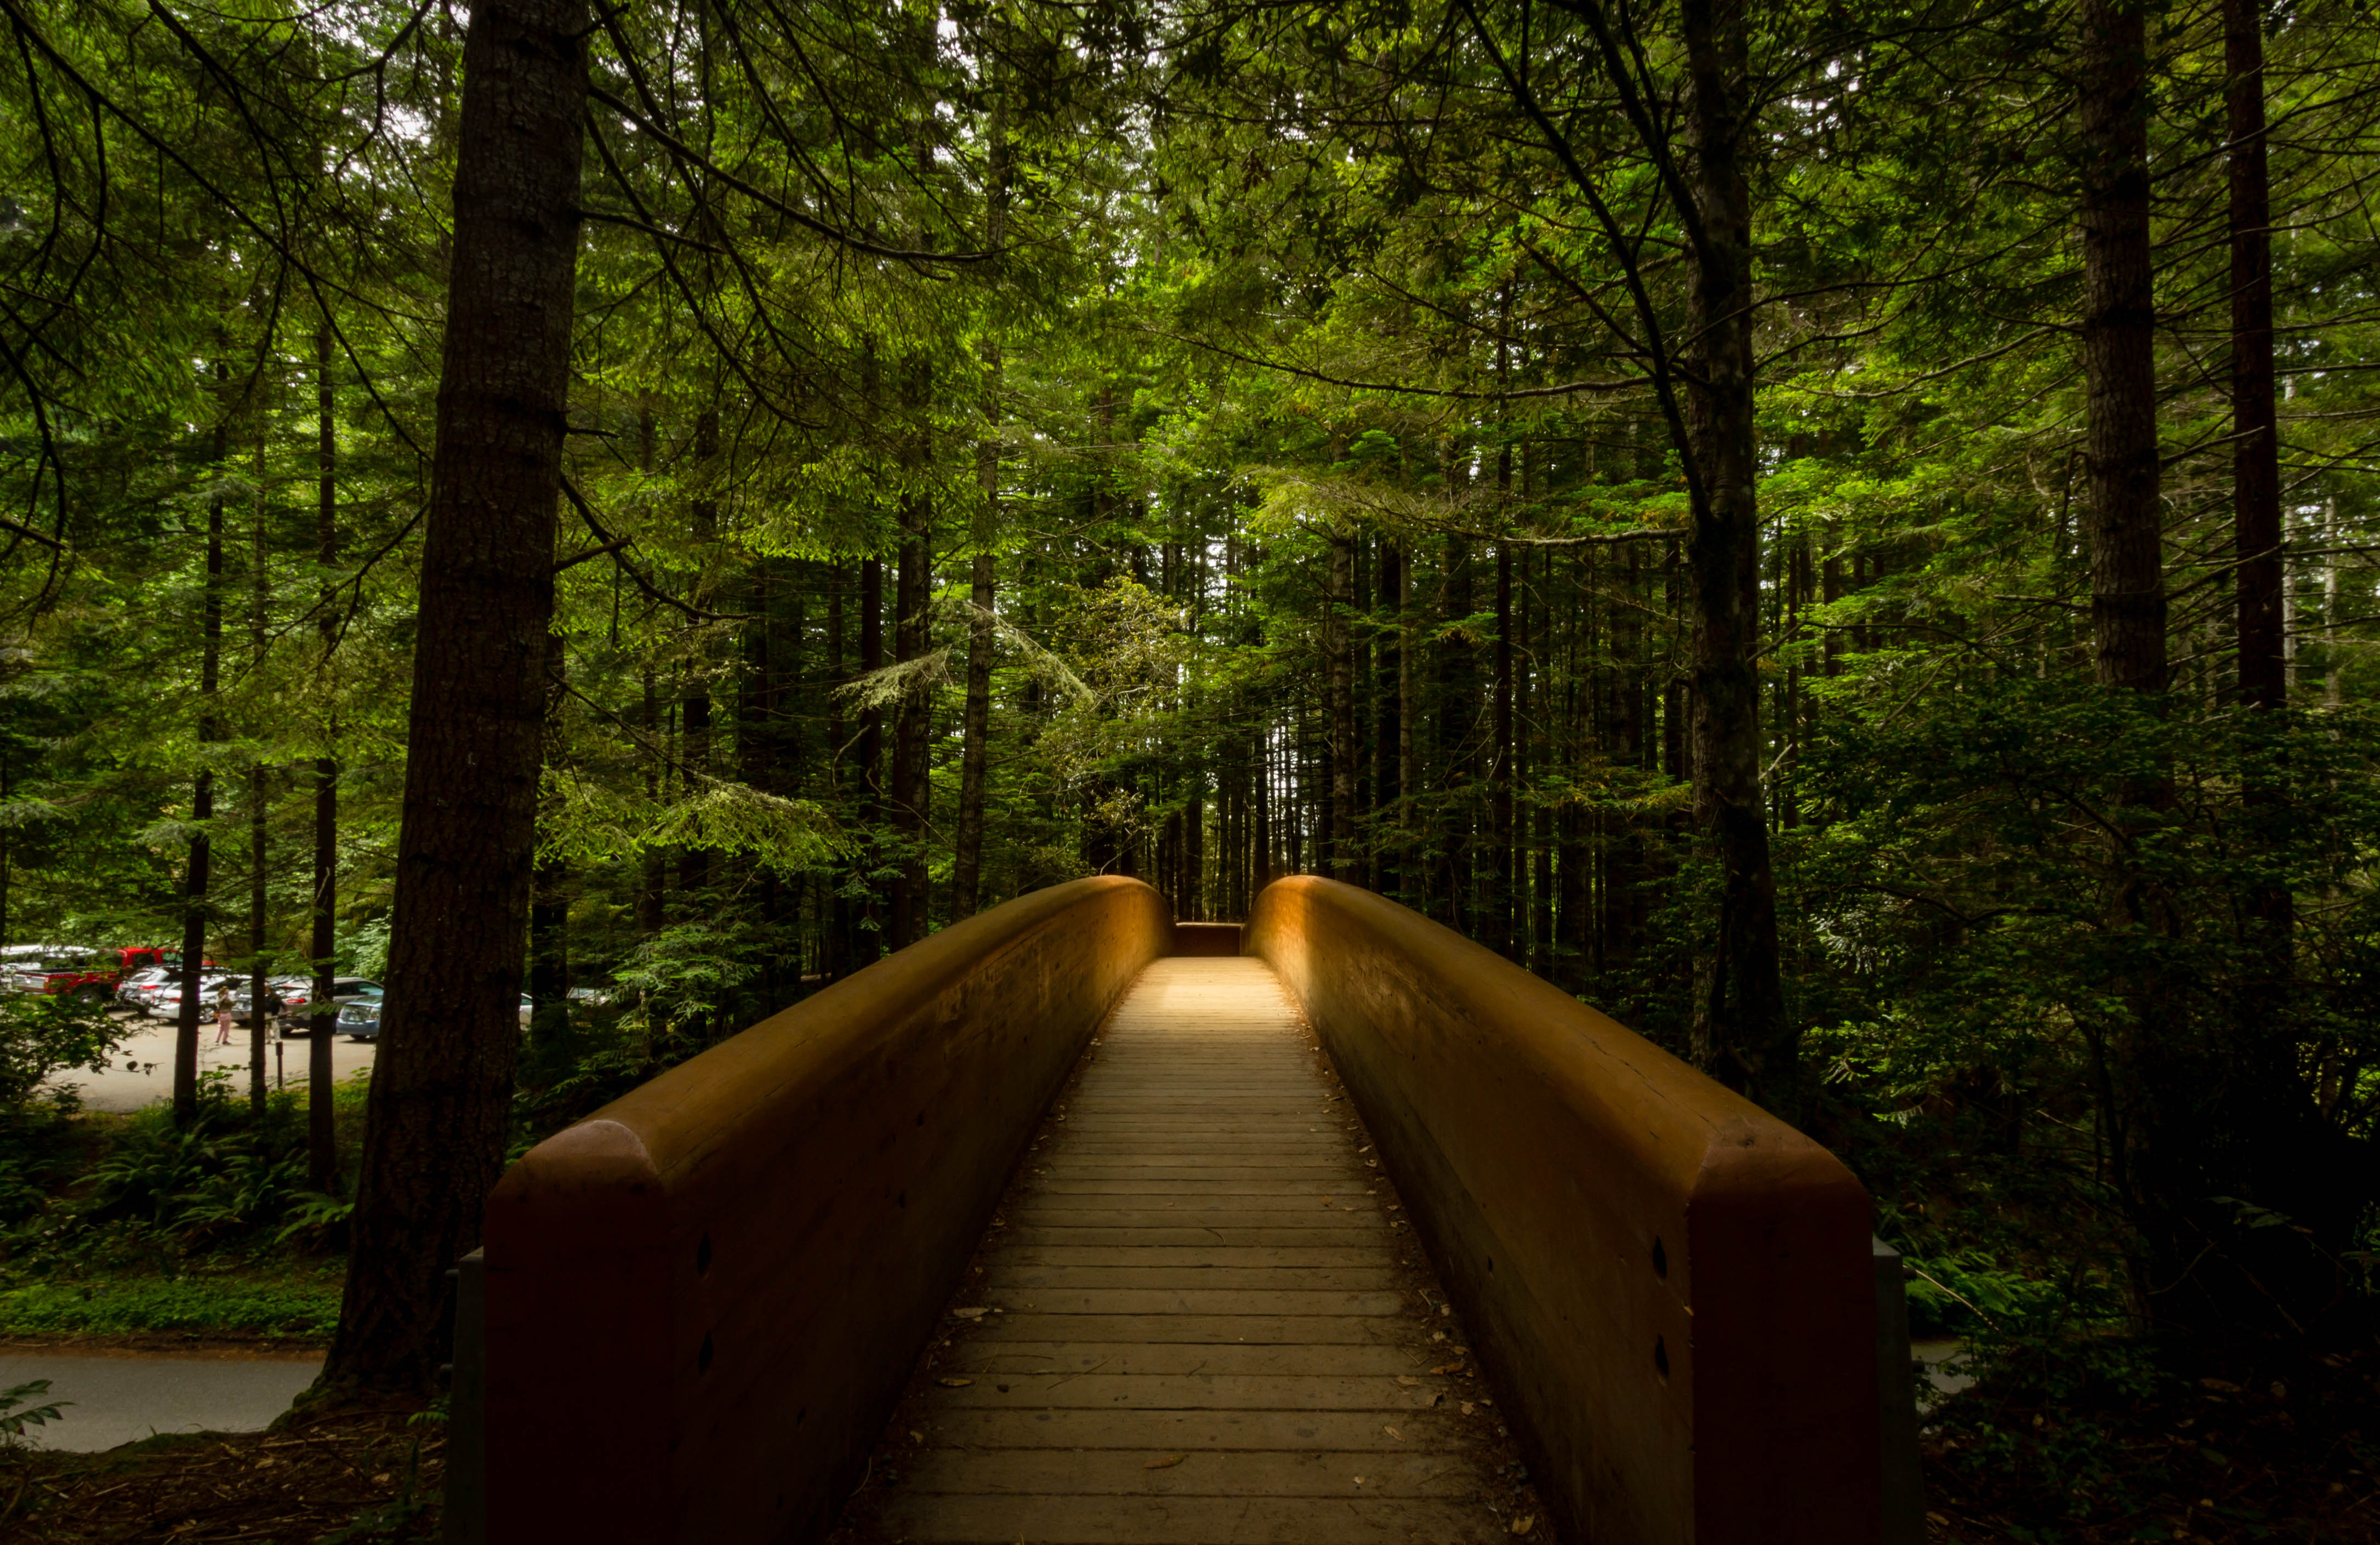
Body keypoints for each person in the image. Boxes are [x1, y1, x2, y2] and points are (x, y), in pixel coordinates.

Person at [214, 981, 235, 1046]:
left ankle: (217, 1041)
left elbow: (217, 1003)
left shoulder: (219, 997)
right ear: (225, 991)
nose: (228, 991)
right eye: (228, 990)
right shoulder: (227, 998)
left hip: (220, 1014)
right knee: (227, 1028)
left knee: (221, 1028)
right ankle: (224, 1041)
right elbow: (232, 1004)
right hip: (227, 1014)